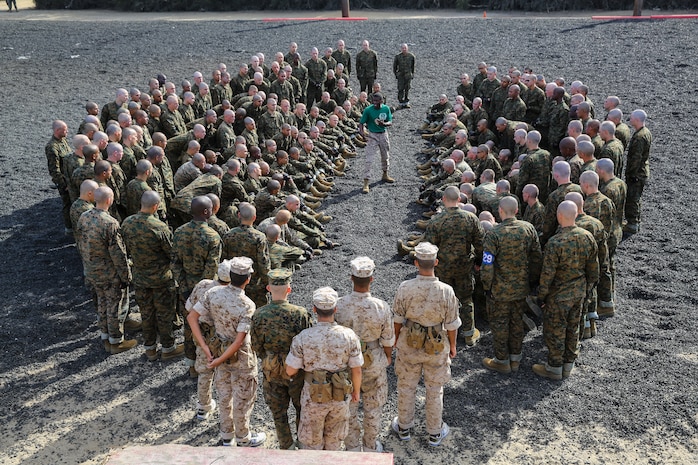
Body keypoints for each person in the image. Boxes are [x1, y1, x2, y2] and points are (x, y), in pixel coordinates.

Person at [188, 256, 267, 447]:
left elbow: (192, 317)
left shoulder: (213, 293)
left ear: (230, 276)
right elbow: (239, 341)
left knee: (224, 396)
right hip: (240, 359)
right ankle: (243, 438)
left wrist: (206, 349)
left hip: (218, 350)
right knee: (242, 399)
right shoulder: (247, 304)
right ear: (248, 279)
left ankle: (226, 436)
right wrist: (217, 359)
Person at [392, 242, 461, 447]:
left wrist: (395, 340)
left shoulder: (405, 288)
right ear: (436, 262)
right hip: (437, 345)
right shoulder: (446, 291)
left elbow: (397, 319)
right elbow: (452, 324)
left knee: (406, 386)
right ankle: (434, 432)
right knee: (434, 389)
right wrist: (453, 346)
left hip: (409, 343)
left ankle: (404, 428)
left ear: (416, 263)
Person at [285, 287, 363, 450]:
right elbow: (356, 369)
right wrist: (356, 391)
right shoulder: (349, 336)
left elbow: (291, 371)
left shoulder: (303, 337)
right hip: (340, 395)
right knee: (334, 442)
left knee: (311, 443)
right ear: (335, 309)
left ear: (314, 310)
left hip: (313, 396)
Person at [533, 201, 599, 380]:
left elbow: (547, 275)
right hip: (579, 293)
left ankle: (554, 367)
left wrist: (541, 296)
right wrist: (587, 288)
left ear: (559, 216)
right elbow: (594, 270)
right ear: (576, 214)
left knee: (555, 330)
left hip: (558, 295)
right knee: (573, 328)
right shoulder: (587, 237)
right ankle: (569, 363)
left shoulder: (555, 243)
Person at [335, 257, 394, 453]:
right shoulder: (381, 306)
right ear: (372, 279)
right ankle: (370, 446)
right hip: (374, 358)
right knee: (373, 406)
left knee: (349, 405)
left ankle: (351, 446)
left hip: (347, 361)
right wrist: (387, 357)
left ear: (351, 278)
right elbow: (388, 339)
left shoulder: (339, 305)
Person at [251, 268, 312, 450]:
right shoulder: (300, 313)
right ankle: (303, 442)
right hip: (296, 369)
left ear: (269, 288)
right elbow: (307, 343)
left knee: (278, 412)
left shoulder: (259, 315)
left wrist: (269, 359)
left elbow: (256, 345)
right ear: (289, 289)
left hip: (272, 369)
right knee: (302, 408)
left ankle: (286, 445)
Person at [481, 196, 542, 373]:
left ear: (500, 211)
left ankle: (502, 360)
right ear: (516, 211)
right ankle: (515, 358)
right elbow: (537, 258)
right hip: (522, 288)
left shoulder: (493, 234)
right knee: (516, 322)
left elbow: (487, 264)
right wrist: (532, 281)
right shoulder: (528, 229)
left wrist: (487, 286)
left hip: (499, 290)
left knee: (500, 325)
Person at [121, 190, 183, 361]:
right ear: (155, 206)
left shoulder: (127, 223)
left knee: (146, 313)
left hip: (140, 278)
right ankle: (168, 348)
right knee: (165, 314)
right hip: (161, 279)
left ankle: (150, 349)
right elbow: (172, 253)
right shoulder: (159, 228)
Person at [77, 186, 137, 354]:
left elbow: (81, 242)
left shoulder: (83, 217)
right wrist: (126, 276)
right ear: (109, 200)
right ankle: (116, 342)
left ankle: (104, 335)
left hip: (92, 270)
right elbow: (118, 254)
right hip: (109, 273)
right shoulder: (110, 223)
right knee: (114, 306)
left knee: (101, 302)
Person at [423, 186, 484, 346]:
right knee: (466, 298)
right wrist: (478, 261)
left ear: (443, 200)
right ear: (459, 199)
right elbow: (480, 244)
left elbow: (428, 248)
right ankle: (469, 334)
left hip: (442, 267)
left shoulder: (436, 221)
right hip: (464, 267)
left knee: (442, 299)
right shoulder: (471, 218)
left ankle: (441, 333)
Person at [172, 195, 222, 377]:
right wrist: (202, 294)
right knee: (208, 327)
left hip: (185, 289)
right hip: (205, 292)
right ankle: (208, 364)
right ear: (207, 212)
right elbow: (211, 269)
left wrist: (185, 290)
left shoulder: (179, 232)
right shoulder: (212, 236)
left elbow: (175, 263)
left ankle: (192, 365)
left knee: (188, 326)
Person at [185, 259, 233, 422]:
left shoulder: (203, 285)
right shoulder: (232, 294)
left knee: (204, 372)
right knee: (226, 376)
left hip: (202, 334)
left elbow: (188, 307)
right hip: (224, 339)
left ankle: (203, 407)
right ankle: (228, 414)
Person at [221, 202, 270, 308]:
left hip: (233, 281)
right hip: (254, 283)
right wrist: (267, 282)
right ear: (254, 217)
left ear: (239, 215)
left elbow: (223, 259)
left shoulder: (228, 235)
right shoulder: (259, 237)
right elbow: (263, 263)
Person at [359, 93, 394, 193]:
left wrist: (384, 124)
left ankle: (385, 173)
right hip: (372, 135)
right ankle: (366, 182)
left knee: (385, 155)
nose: (375, 103)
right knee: (369, 159)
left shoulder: (386, 109)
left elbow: (390, 121)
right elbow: (361, 123)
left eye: (377, 101)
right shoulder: (368, 110)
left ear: (381, 101)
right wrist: (362, 133)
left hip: (383, 134)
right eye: (373, 101)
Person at [624, 109, 651, 235]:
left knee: (632, 198)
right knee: (636, 197)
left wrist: (631, 174)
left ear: (637, 119)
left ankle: (632, 224)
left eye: (632, 118)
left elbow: (636, 157)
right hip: (642, 171)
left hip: (637, 173)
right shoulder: (645, 132)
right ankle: (636, 220)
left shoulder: (639, 137)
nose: (630, 119)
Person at [46, 120, 73, 233]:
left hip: (69, 177)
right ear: (57, 131)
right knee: (67, 203)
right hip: (64, 181)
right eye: (65, 129)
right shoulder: (52, 147)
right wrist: (63, 185)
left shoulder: (63, 141)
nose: (67, 131)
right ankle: (69, 228)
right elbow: (54, 170)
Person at [393, 44, 415, 109]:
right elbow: (395, 66)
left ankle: (406, 102)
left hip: (408, 75)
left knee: (407, 89)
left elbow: (413, 66)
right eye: (403, 48)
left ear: (407, 48)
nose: (404, 49)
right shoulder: (398, 56)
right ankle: (400, 102)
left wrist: (412, 74)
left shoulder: (411, 56)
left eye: (405, 48)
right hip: (401, 75)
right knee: (400, 89)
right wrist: (396, 74)